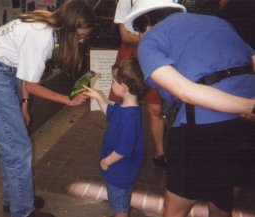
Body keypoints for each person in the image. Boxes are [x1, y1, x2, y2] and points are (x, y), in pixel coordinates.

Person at [124, 0, 255, 216]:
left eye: (138, 30)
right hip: (245, 128)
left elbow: (183, 90)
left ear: (145, 22)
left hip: (203, 127)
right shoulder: (218, 22)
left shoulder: (150, 41)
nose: (139, 37)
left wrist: (250, 105)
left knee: (175, 207)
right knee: (221, 196)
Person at [0, 1, 95, 217]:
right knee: (18, 148)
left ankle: (16, 200)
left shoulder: (43, 24)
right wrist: (68, 100)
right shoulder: (43, 37)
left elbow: (23, 74)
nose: (82, 40)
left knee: (12, 146)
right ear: (68, 28)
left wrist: (24, 105)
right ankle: (23, 211)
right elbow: (30, 84)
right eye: (80, 36)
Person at [83, 58, 147, 217]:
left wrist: (106, 161)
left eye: (113, 81)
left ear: (123, 87)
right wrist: (98, 96)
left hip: (120, 171)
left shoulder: (130, 118)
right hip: (120, 170)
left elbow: (123, 150)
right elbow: (110, 113)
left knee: (120, 208)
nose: (111, 84)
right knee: (120, 200)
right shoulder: (125, 107)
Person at [110, 0, 166, 168]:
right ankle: (115, 148)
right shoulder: (126, 1)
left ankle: (160, 153)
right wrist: (154, 40)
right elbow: (125, 35)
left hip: (152, 56)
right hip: (130, 56)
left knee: (156, 108)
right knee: (119, 102)